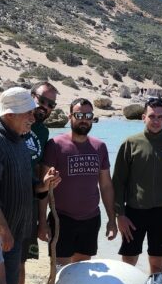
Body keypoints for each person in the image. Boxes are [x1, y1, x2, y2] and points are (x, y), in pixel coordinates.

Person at [0, 87, 61, 284]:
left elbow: (27, 184)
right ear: (9, 115)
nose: (33, 117)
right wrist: (2, 228)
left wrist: (43, 185)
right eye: (27, 113)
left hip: (15, 235)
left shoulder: (20, 140)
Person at [111, 97, 162, 274]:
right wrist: (119, 215)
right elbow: (118, 181)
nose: (156, 121)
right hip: (133, 213)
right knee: (127, 265)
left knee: (157, 266)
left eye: (160, 117)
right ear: (143, 117)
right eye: (152, 116)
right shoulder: (130, 144)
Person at [39, 98, 117, 264]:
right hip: (61, 219)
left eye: (88, 115)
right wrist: (42, 223)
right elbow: (44, 188)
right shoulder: (55, 145)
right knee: (60, 273)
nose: (84, 119)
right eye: (79, 115)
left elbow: (106, 186)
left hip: (91, 219)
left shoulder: (100, 147)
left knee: (81, 272)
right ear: (70, 117)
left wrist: (112, 219)